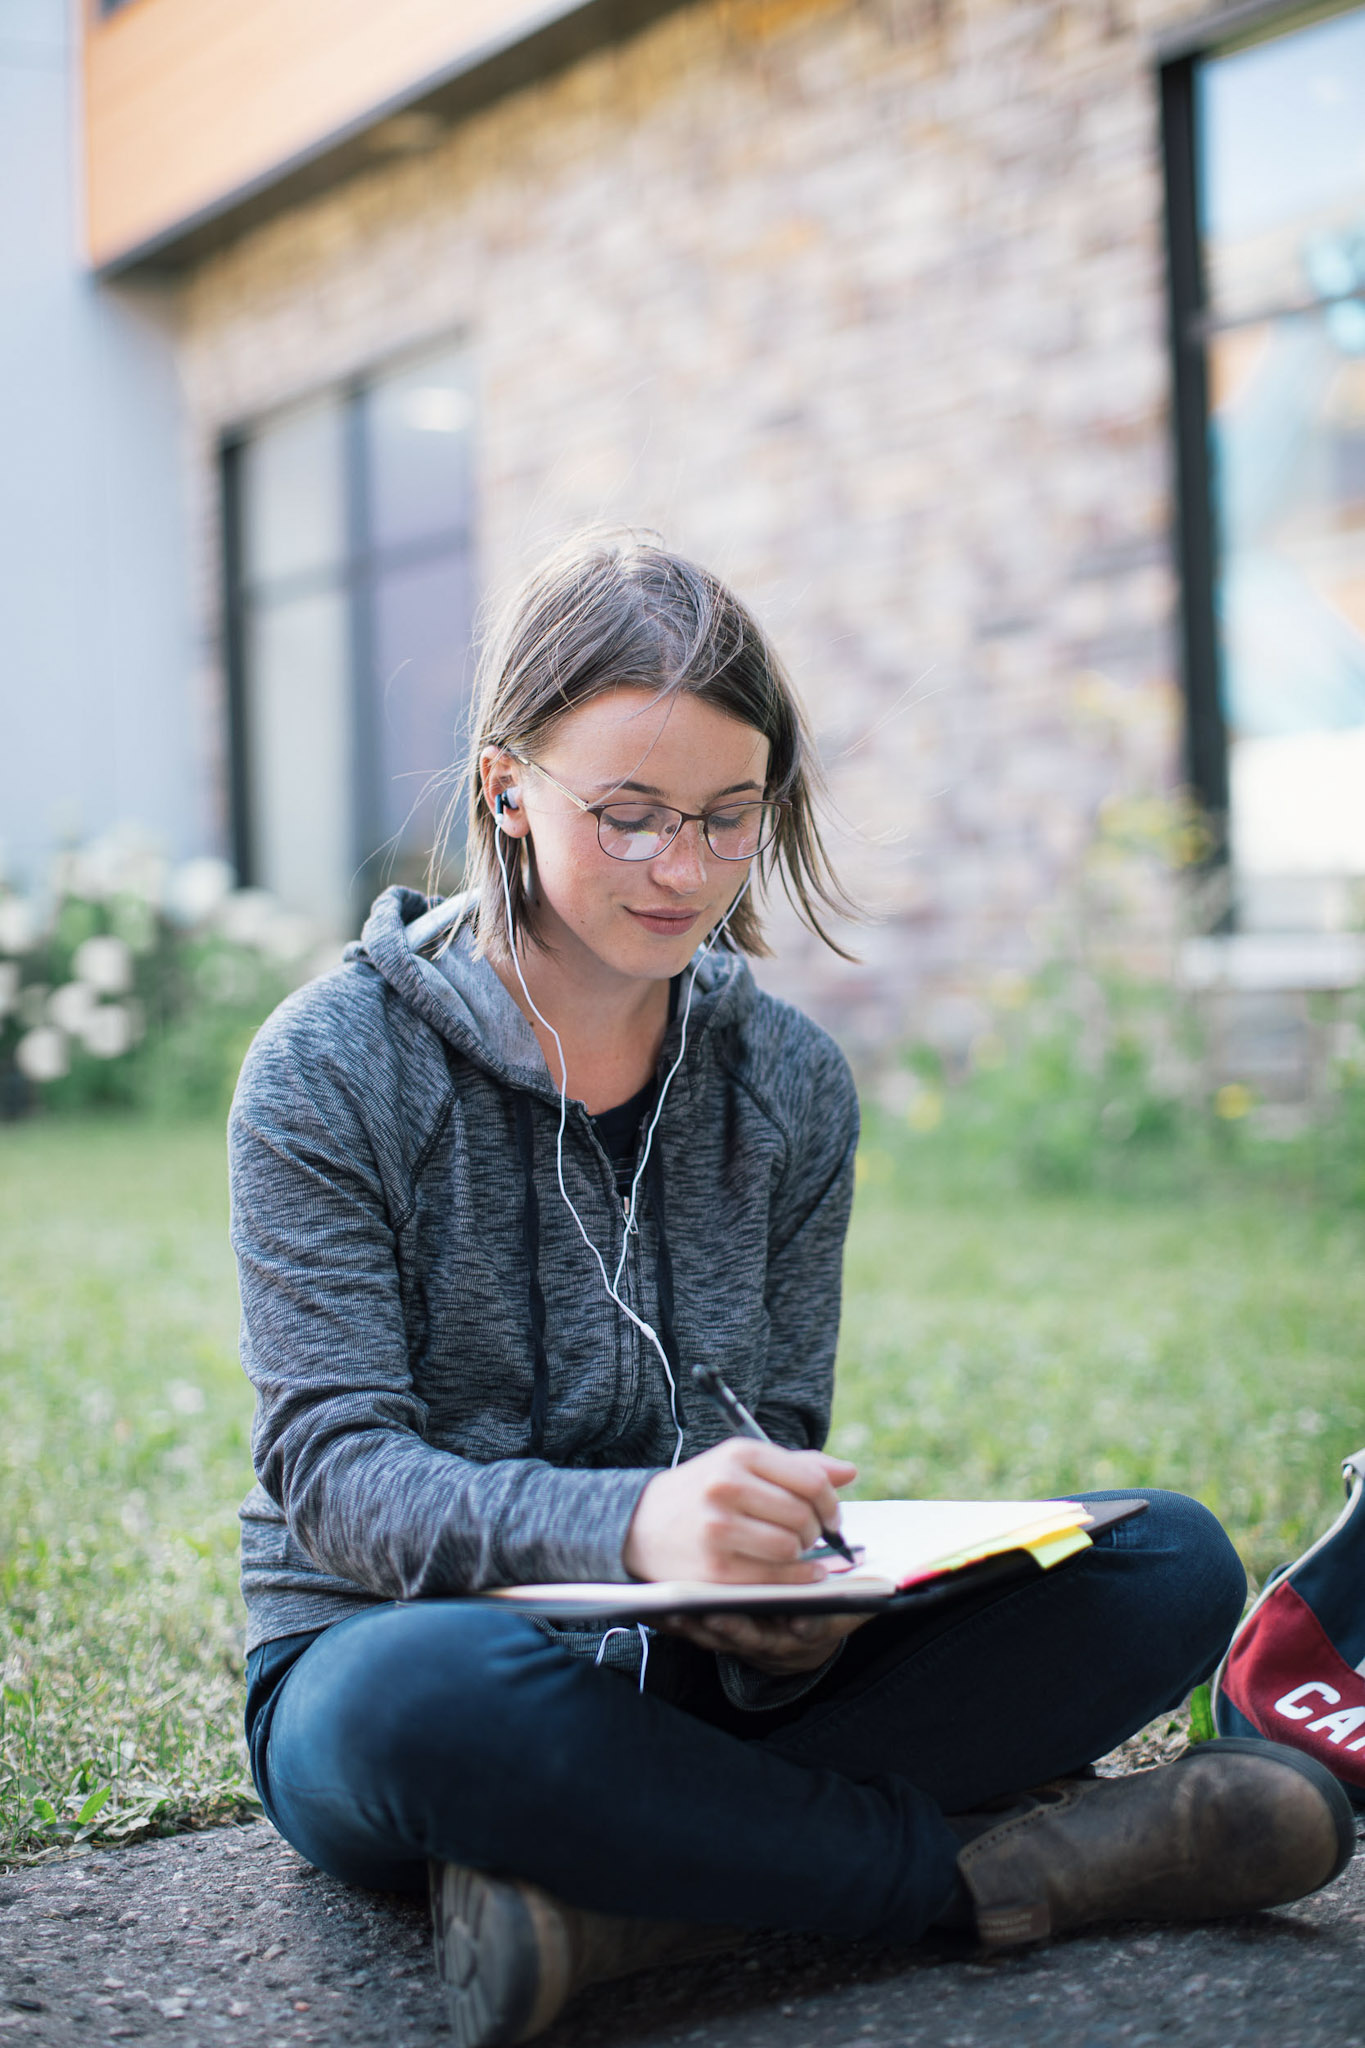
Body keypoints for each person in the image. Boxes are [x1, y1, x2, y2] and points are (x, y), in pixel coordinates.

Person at [231, 533, 1354, 2048]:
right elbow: (335, 1476)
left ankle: (639, 1902)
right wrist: (633, 1526)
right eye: (625, 817)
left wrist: (790, 1594)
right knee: (421, 1698)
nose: (680, 868)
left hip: (696, 1688)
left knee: (1164, 1564)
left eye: (724, 817)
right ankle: (976, 1880)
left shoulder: (787, 1084)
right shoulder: (328, 1068)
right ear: (506, 791)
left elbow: (771, 1422)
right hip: (409, 1658)